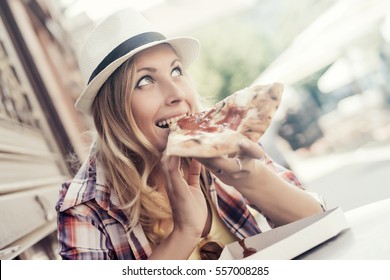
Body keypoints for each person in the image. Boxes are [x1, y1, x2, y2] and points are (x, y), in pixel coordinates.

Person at [56, 8, 325, 260]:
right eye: (145, 81)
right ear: (112, 112)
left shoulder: (222, 139)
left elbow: (319, 222)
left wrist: (250, 177)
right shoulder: (84, 207)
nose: (177, 94)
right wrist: (184, 233)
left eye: (176, 71)